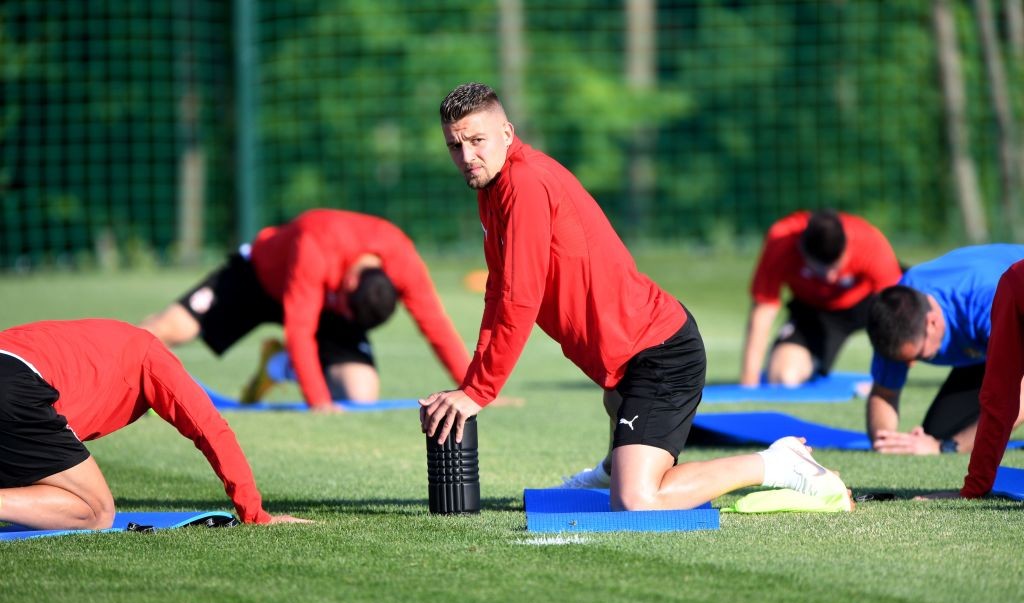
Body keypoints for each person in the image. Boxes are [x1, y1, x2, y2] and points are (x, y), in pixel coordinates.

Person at [418, 82, 852, 511]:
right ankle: (612, 468)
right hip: (631, 358)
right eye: (455, 146)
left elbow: (519, 298)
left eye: (477, 140)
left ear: (507, 134)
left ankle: (777, 463)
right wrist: (472, 383)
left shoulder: (524, 182)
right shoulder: (493, 190)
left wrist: (479, 390)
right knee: (619, 420)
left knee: (637, 501)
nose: (467, 157)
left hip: (661, 354)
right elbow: (498, 292)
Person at [141, 209, 471, 412]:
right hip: (259, 279)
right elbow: (299, 330)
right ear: (352, 281)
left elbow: (436, 326)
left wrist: (473, 391)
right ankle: (118, 365)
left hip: (321, 306)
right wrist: (318, 401)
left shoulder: (402, 260)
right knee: (174, 328)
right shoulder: (318, 243)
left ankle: (279, 366)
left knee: (361, 393)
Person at [0, 319, 309, 530]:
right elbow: (211, 429)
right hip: (17, 387)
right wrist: (255, 515)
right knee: (96, 512)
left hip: (11, 366)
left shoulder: (100, 341)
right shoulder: (150, 355)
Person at [866, 244, 1024, 455]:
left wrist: (945, 447)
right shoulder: (896, 313)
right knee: (940, 430)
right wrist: (886, 440)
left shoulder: (989, 304)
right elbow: (884, 393)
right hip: (985, 340)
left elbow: (1018, 399)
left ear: (932, 322)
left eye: (920, 355)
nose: (911, 364)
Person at [740, 209, 902, 387]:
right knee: (782, 377)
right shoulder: (781, 241)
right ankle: (815, 360)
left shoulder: (869, 240)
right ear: (802, 251)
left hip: (866, 304)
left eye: (836, 266)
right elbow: (764, 310)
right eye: (822, 270)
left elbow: (895, 307)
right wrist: (749, 382)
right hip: (814, 312)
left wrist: (886, 383)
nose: (832, 278)